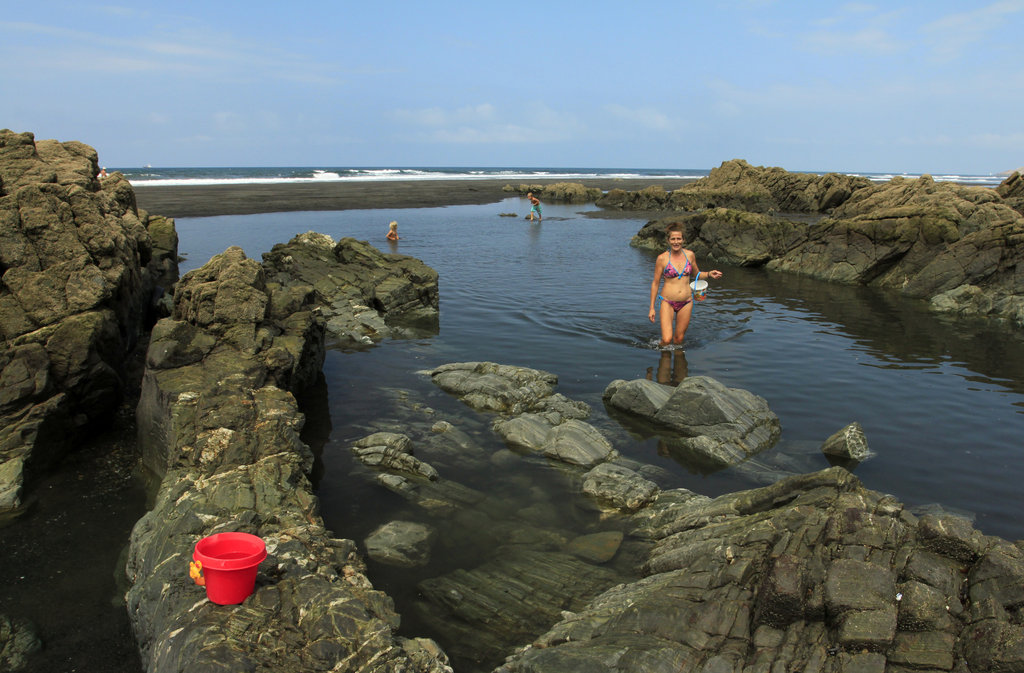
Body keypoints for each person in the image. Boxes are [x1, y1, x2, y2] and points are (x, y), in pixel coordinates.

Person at [648, 222, 722, 347]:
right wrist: (652, 308)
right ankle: (661, 359)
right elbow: (655, 283)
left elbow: (696, 274)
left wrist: (709, 274)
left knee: (678, 340)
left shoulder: (690, 255)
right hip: (667, 301)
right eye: (673, 239)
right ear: (668, 240)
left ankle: (679, 364)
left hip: (686, 302)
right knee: (666, 340)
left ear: (683, 240)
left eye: (679, 239)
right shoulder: (662, 258)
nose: (676, 242)